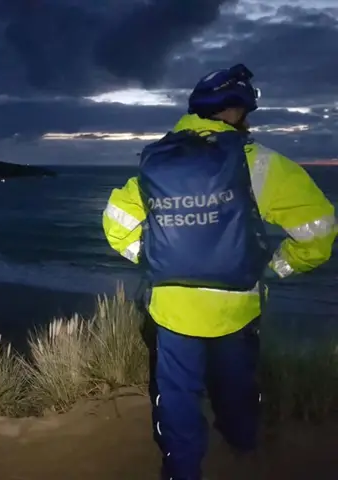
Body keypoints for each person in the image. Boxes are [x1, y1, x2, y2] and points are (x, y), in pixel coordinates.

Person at [102, 64, 336, 480]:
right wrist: (276, 267)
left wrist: (152, 259)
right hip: (237, 305)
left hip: (172, 306)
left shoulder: (161, 159)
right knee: (238, 387)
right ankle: (243, 449)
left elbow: (116, 223)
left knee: (176, 397)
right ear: (235, 111)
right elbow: (319, 230)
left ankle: (182, 470)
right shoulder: (259, 164)